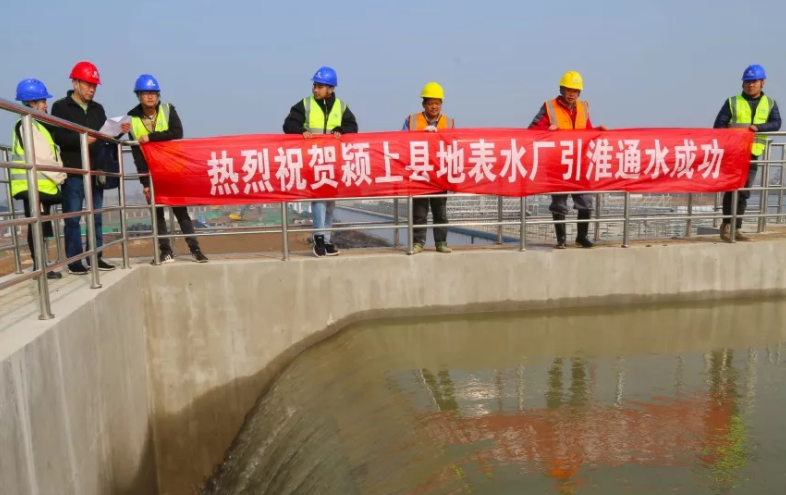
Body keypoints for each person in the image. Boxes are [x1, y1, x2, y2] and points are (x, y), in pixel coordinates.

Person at [50, 61, 129, 275]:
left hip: (95, 170)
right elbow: (58, 136)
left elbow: (104, 135)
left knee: (96, 217)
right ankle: (75, 261)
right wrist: (82, 140)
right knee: (73, 217)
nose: (92, 89)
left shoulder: (98, 109)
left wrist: (119, 132)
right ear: (75, 83)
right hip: (74, 170)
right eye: (88, 84)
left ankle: (96, 256)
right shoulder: (61, 107)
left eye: (94, 85)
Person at [127, 74, 208, 263]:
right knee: (157, 215)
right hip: (151, 172)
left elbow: (177, 132)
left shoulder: (168, 109)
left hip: (172, 170)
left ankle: (195, 250)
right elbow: (137, 154)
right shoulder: (132, 119)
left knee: (181, 212)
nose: (150, 96)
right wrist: (144, 182)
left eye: (153, 93)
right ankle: (165, 251)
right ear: (138, 95)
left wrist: (150, 138)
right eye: (145, 93)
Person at [283, 66, 359, 258]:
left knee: (330, 204)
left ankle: (325, 241)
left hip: (333, 163)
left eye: (319, 86)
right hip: (313, 161)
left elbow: (353, 126)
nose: (315, 89)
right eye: (315, 86)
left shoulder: (341, 107)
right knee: (318, 200)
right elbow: (289, 124)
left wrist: (342, 129)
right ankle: (318, 239)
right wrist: (301, 131)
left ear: (330, 89)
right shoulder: (305, 104)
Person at [529, 71, 608, 249]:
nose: (572, 94)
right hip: (557, 163)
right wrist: (547, 129)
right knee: (559, 203)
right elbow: (531, 130)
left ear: (579, 92)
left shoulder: (583, 107)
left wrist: (597, 130)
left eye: (575, 90)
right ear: (561, 90)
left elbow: (586, 131)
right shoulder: (549, 107)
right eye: (568, 90)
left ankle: (582, 237)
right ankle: (561, 239)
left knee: (586, 201)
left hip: (580, 162)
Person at [713, 64, 781, 242]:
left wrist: (758, 127)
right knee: (732, 189)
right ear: (743, 83)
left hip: (752, 154)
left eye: (754, 81)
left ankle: (736, 229)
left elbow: (776, 123)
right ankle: (727, 225)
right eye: (747, 82)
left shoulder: (770, 103)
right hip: (734, 153)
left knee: (743, 192)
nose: (750, 85)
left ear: (762, 82)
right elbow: (719, 125)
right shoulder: (732, 102)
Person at [9, 79, 67, 279]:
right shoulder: (28, 125)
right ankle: (40, 268)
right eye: (43, 101)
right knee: (38, 226)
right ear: (32, 103)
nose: (45, 105)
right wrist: (61, 175)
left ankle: (41, 265)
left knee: (41, 226)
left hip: (38, 185)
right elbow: (43, 158)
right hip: (35, 185)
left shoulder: (32, 124)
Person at [403, 82, 454, 254]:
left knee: (440, 212)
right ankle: (418, 243)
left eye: (437, 103)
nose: (434, 106)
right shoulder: (411, 121)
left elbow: (454, 146)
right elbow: (400, 142)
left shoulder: (448, 122)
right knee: (419, 212)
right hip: (419, 174)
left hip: (440, 175)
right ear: (423, 104)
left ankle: (441, 242)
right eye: (431, 103)